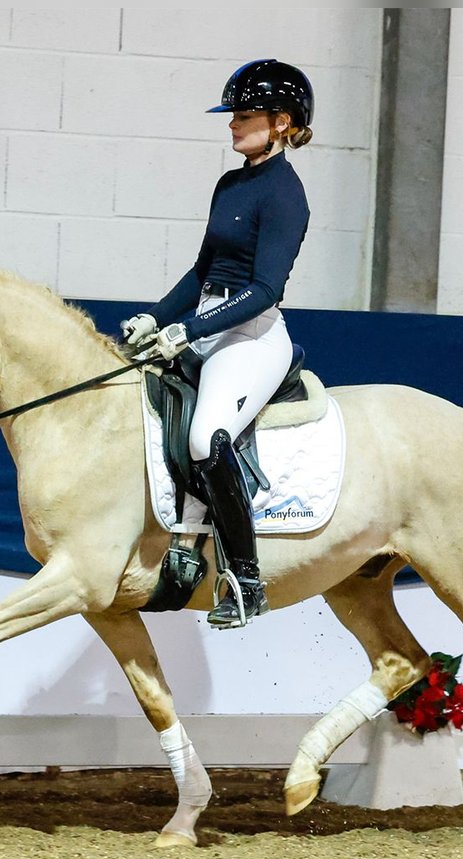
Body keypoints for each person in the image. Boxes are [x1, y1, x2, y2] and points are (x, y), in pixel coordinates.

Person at [120, 59, 314, 628]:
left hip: (250, 334)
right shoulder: (231, 182)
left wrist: (190, 330)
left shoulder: (285, 194)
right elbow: (203, 267)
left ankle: (246, 582)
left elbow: (264, 290)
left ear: (281, 121)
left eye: (244, 115)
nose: (232, 125)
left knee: (208, 436)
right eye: (233, 115)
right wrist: (154, 319)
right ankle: (178, 545)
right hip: (207, 323)